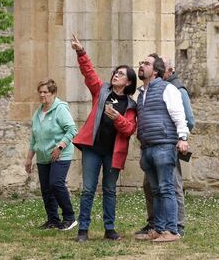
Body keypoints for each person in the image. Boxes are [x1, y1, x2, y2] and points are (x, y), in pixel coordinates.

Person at [71, 34, 137, 243]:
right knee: (88, 189)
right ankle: (83, 230)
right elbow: (89, 74)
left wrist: (117, 118)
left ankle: (109, 229)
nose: (116, 75)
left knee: (109, 190)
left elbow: (128, 130)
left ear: (128, 82)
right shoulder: (102, 91)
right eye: (115, 72)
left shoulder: (130, 105)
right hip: (93, 149)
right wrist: (81, 52)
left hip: (113, 153)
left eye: (121, 74)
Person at [135, 58, 195, 238]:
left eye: (146, 63)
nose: (141, 65)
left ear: (155, 71)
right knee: (155, 190)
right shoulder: (141, 94)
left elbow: (179, 115)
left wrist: (183, 138)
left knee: (166, 188)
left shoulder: (168, 89)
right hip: (147, 147)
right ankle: (159, 229)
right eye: (141, 62)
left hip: (164, 145)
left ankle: (171, 230)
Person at [25, 78, 77, 231]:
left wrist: (60, 147)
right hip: (42, 156)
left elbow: (72, 130)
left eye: (45, 92)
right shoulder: (37, 113)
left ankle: (70, 217)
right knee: (46, 189)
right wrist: (29, 158)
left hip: (60, 154)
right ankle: (53, 220)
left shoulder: (60, 109)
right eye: (40, 92)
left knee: (56, 184)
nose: (42, 95)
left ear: (53, 93)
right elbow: (34, 138)